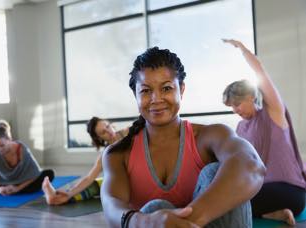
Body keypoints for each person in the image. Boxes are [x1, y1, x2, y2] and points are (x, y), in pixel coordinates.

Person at [101, 47, 266, 228]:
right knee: (155, 209)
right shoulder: (118, 154)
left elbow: (251, 165)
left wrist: (190, 221)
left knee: (215, 172)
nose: (156, 99)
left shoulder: (208, 136)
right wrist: (145, 222)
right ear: (136, 95)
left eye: (166, 88)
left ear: (182, 89)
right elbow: (111, 206)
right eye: (146, 91)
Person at [222, 39, 306, 226]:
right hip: (261, 193)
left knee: (228, 202)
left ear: (251, 97)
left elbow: (261, 72)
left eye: (237, 104)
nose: (235, 110)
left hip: (290, 191)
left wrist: (242, 49)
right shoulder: (240, 128)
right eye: (231, 107)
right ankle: (277, 214)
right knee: (226, 198)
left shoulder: (273, 113)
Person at [42, 117, 128, 205]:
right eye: (103, 132)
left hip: (137, 179)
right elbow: (89, 178)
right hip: (123, 184)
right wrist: (69, 193)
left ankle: (57, 197)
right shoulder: (105, 155)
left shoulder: (128, 132)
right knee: (95, 185)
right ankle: (56, 197)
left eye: (107, 126)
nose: (109, 131)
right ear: (99, 138)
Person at [0, 120, 54, 195]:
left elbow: (35, 173)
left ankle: (15, 191)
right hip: (1, 183)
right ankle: (6, 191)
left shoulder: (22, 149)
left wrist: (17, 188)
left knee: (48, 174)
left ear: (10, 139)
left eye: (2, 145)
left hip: (21, 182)